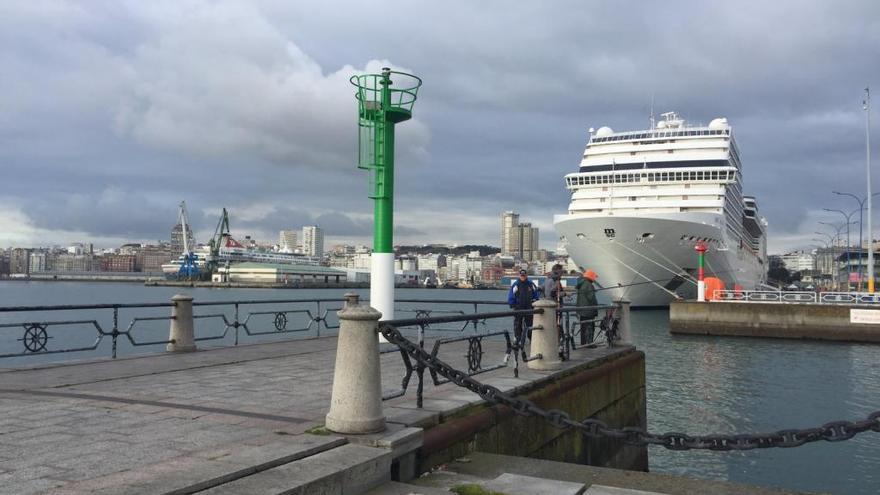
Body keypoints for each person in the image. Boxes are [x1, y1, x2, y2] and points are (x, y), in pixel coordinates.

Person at [507, 269, 539, 358]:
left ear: (526, 275)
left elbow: (536, 295)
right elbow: (511, 295)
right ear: (519, 275)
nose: (523, 277)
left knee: (529, 325)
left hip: (529, 308)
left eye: (524, 275)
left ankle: (531, 339)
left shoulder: (531, 284)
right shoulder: (516, 284)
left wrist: (535, 302)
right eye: (521, 275)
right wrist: (512, 304)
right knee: (518, 325)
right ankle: (518, 340)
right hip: (519, 308)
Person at [576, 269, 599, 344]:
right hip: (589, 311)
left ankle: (583, 343)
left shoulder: (581, 283)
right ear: (590, 277)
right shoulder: (589, 285)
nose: (594, 279)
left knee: (583, 327)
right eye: (594, 277)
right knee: (590, 327)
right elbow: (591, 298)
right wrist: (596, 306)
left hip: (582, 310)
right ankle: (589, 344)